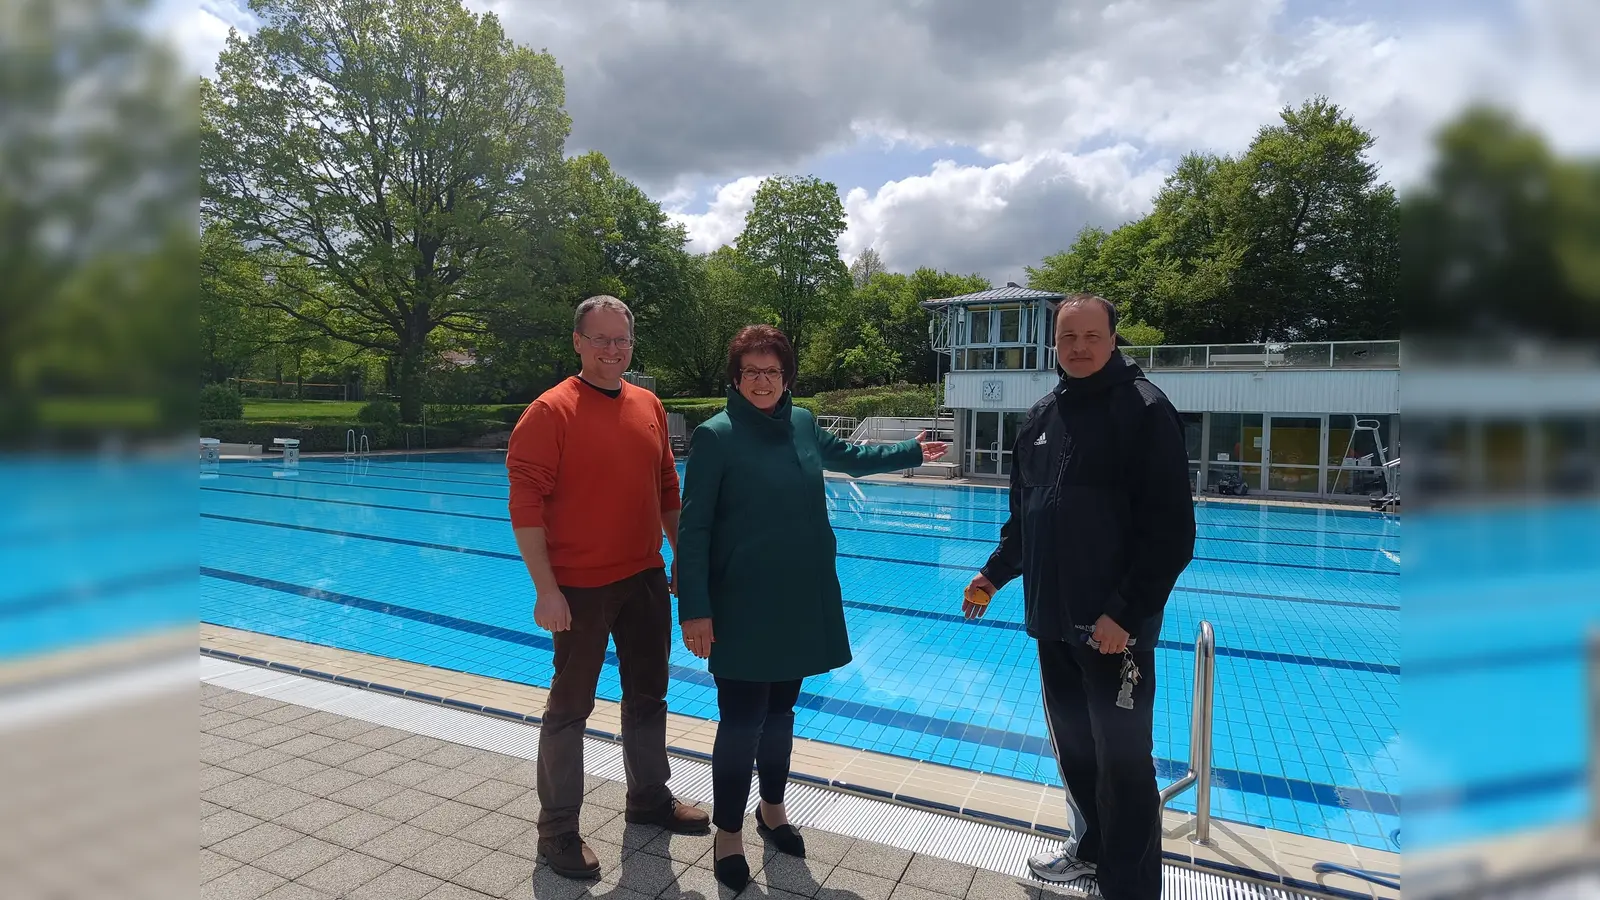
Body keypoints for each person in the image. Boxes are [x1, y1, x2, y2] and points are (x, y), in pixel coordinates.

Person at [675, 325, 949, 891]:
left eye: (772, 371)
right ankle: (728, 834)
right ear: (735, 377)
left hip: (799, 600)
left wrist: (910, 451)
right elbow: (693, 528)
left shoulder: (801, 422)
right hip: (742, 608)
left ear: (786, 376)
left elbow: (849, 455)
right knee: (741, 723)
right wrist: (695, 609)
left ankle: (772, 810)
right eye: (751, 371)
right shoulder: (716, 436)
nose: (762, 381)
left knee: (781, 715)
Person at [963, 293, 1195, 900]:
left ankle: (1131, 888)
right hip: (1052, 623)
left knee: (1125, 763)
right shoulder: (1043, 416)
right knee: (1077, 752)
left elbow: (1171, 533)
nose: (1080, 347)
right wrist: (993, 575)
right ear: (1055, 344)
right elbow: (1026, 519)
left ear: (1114, 339)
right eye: (1068, 337)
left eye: (1092, 336)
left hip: (1113, 632)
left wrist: (1125, 612)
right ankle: (1092, 853)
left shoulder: (1145, 411)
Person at [506, 295, 710, 881]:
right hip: (580, 586)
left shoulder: (647, 404)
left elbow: (667, 487)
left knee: (649, 695)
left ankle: (647, 798)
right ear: (578, 342)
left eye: (621, 339)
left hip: (643, 576)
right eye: (600, 339)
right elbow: (525, 506)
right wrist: (546, 589)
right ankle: (557, 829)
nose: (612, 350)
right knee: (570, 707)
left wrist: (681, 557)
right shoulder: (550, 411)